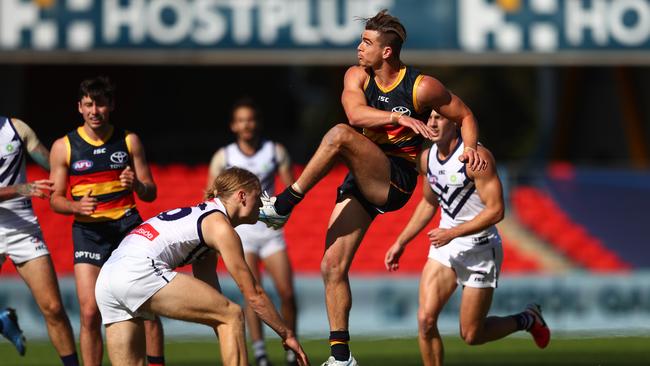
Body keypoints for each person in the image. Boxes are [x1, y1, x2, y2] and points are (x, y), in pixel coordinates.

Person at [258, 10, 486, 366]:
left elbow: (466, 115)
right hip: (363, 175)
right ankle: (341, 357)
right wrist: (397, 117)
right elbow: (356, 115)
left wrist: (469, 149)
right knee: (331, 265)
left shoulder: (421, 86)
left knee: (337, 136)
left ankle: (284, 204)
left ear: (387, 53)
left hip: (396, 178)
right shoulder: (357, 76)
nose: (359, 48)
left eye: (367, 42)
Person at [95, 167, 310, 366]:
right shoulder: (220, 227)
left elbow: (214, 302)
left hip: (107, 278)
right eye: (258, 196)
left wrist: (226, 331)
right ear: (242, 196)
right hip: (138, 271)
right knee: (233, 314)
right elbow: (253, 295)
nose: (262, 204)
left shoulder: (204, 223)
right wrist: (287, 335)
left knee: (227, 316)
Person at [384, 110, 551, 366]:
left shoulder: (477, 158)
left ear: (454, 122)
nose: (432, 123)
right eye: (429, 118)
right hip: (445, 251)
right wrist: (401, 241)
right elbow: (428, 203)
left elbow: (496, 210)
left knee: (472, 334)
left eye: (438, 117)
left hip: (480, 250)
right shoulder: (427, 158)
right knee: (425, 321)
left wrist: (452, 233)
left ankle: (527, 318)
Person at [49, 77, 166, 366]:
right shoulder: (64, 146)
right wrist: (76, 205)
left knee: (147, 306)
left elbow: (151, 192)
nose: (95, 111)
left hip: (128, 229)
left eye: (100, 103)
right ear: (79, 107)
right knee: (90, 312)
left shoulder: (129, 140)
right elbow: (55, 199)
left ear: (111, 105)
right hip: (88, 232)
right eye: (88, 104)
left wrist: (136, 184)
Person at [207, 98, 298, 366]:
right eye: (241, 120)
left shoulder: (275, 151)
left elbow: (291, 188)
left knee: (287, 293)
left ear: (257, 122)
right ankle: (260, 352)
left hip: (269, 231)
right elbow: (211, 194)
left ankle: (290, 348)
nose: (247, 124)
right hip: (241, 233)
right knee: (253, 292)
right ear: (234, 125)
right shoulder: (224, 156)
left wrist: (281, 212)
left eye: (251, 119)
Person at [0, 116, 79, 364]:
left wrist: (84, 171)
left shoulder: (16, 128)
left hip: (22, 228)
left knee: (54, 308)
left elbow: (53, 166)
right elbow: (23, 188)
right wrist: (22, 189)